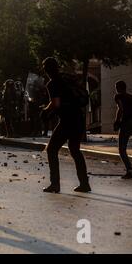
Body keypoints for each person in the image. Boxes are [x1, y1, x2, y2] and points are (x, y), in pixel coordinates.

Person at [41, 57, 91, 193]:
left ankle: (55, 184)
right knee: (75, 150)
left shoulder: (52, 84)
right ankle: (84, 183)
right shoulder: (66, 79)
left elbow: (56, 103)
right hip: (78, 118)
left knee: (51, 150)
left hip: (67, 121)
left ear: (46, 70)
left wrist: (45, 111)